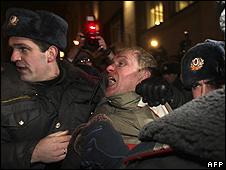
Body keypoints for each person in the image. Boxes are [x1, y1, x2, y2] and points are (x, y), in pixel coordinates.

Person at [1, 8, 104, 169]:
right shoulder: (4, 87)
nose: (14, 57)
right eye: (12, 49)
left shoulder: (89, 86)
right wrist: (33, 153)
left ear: (50, 54)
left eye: (23, 49)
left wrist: (151, 87)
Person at [61, 46, 172, 169]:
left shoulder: (151, 115)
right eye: (112, 63)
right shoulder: (103, 98)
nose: (109, 67)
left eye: (121, 63)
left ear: (143, 76)